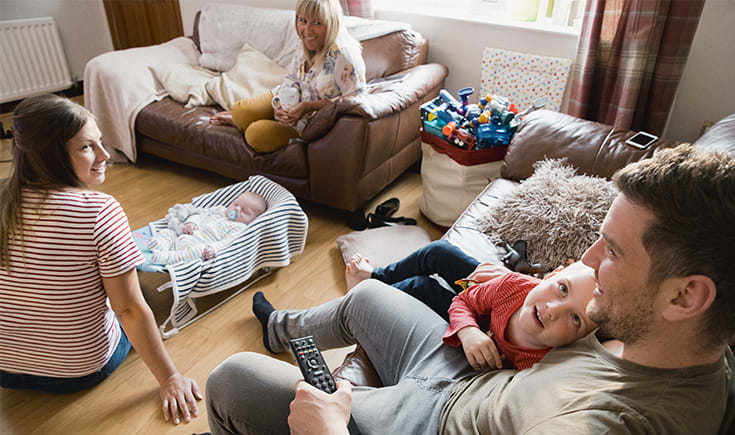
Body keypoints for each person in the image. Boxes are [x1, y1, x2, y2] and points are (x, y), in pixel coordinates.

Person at [206, 143, 735, 434]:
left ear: (686, 296)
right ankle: (280, 329)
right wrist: (523, 289)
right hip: (468, 372)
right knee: (367, 296)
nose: (590, 262)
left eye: (613, 251)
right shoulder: (669, 334)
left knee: (232, 378)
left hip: (427, 424)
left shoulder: (610, 424)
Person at [0, 94, 201, 425]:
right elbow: (128, 310)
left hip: (6, 370)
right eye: (86, 147)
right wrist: (170, 378)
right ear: (50, 153)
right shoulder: (98, 211)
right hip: (78, 371)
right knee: (147, 287)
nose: (106, 155)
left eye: (101, 143)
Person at [209, 0, 366, 153]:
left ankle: (255, 124)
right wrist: (280, 105)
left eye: (317, 23)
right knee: (239, 112)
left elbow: (355, 103)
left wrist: (309, 107)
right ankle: (244, 120)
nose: (307, 30)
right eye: (303, 20)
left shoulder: (344, 55)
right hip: (291, 106)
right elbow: (292, 79)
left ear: (331, 22)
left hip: (308, 125)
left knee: (255, 134)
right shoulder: (304, 43)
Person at [443, 261, 597, 370]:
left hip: (487, 314)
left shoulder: (541, 366)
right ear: (551, 276)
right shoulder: (513, 285)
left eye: (575, 318)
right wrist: (468, 330)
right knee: (438, 252)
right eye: (563, 289)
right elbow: (463, 301)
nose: (553, 310)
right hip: (488, 295)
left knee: (421, 285)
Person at [146, 191, 267, 264]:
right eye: (235, 204)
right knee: (168, 232)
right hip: (186, 234)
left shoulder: (239, 228)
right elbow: (201, 215)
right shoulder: (219, 210)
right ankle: (162, 245)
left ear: (253, 220)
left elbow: (227, 243)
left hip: (198, 245)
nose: (236, 209)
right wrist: (192, 223)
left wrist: (214, 249)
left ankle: (168, 258)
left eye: (244, 211)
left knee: (196, 253)